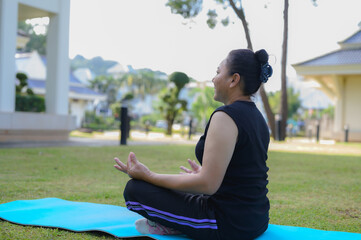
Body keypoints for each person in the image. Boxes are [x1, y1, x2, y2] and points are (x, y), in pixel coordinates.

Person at [114, 48, 273, 240]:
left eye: (218, 72)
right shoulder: (258, 118)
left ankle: (177, 225)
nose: (214, 79)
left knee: (135, 190)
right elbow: (242, 172)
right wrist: (204, 174)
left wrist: (148, 175)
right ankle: (181, 222)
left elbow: (207, 185)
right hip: (257, 219)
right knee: (177, 190)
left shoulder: (225, 116)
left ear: (233, 80)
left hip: (227, 223)